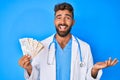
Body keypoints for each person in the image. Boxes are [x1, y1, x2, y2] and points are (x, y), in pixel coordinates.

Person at [18, 2, 118, 80]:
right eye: (59, 17)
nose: (63, 22)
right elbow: (35, 77)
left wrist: (94, 69)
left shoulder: (84, 47)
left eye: (67, 17)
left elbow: (89, 78)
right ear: (54, 21)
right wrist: (28, 68)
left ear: (73, 22)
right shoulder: (41, 46)